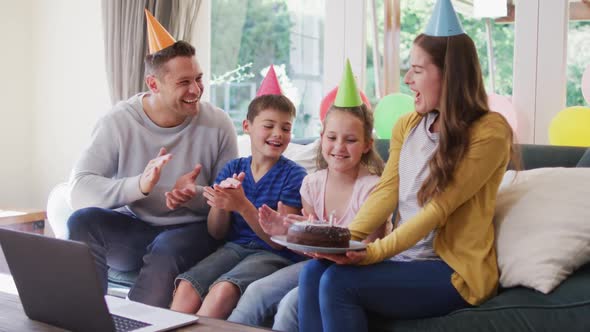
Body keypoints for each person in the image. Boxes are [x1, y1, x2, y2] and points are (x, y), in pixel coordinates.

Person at [297, 1, 520, 331]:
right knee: (314, 272)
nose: (407, 79)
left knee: (338, 283)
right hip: (403, 259)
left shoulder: (490, 131)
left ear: (449, 74)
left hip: (449, 269)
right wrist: (341, 242)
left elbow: (440, 207)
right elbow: (387, 192)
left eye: (417, 70)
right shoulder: (408, 125)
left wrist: (372, 253)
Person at [66, 10, 238, 308]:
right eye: (184, 82)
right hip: (137, 228)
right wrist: (140, 186)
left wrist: (190, 196)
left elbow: (228, 205)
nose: (196, 90)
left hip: (194, 231)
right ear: (154, 85)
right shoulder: (120, 121)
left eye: (198, 79)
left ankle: (135, 324)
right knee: (82, 221)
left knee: (166, 248)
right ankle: (86, 315)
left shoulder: (219, 124)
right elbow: (78, 190)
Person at [227, 60, 391, 332]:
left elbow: (369, 249)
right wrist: (289, 230)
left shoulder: (373, 188)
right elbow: (307, 249)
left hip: (356, 271)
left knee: (291, 306)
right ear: (322, 137)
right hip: (315, 265)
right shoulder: (312, 185)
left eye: (350, 140)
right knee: (256, 292)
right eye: (332, 137)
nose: (339, 147)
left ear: (367, 145)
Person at [169, 66, 308, 319]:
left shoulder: (295, 176)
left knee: (222, 290)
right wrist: (223, 203)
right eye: (269, 126)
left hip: (273, 255)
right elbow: (217, 232)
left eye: (286, 128)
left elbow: (280, 241)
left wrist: (243, 205)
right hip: (234, 247)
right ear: (247, 126)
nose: (278, 134)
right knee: (188, 286)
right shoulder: (233, 168)